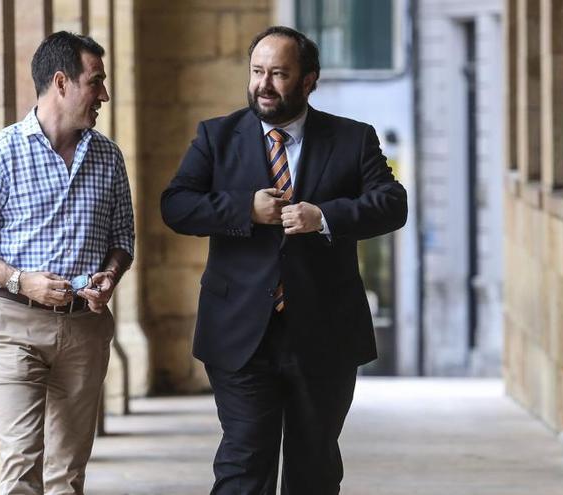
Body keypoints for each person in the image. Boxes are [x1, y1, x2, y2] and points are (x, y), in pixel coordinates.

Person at [160, 26, 408, 494]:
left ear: (309, 80)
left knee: (313, 468)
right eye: (257, 72)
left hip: (325, 333)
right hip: (239, 334)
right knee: (243, 463)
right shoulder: (216, 137)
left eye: (278, 74)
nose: (264, 85)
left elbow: (393, 204)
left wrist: (326, 216)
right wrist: (243, 209)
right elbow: (176, 205)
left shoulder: (353, 139)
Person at [0, 31, 134, 494]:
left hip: (85, 328)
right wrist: (20, 280)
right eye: (96, 82)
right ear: (61, 82)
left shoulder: (109, 156)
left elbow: (123, 238)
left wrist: (110, 275)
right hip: (15, 329)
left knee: (68, 474)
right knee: (20, 469)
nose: (104, 95)